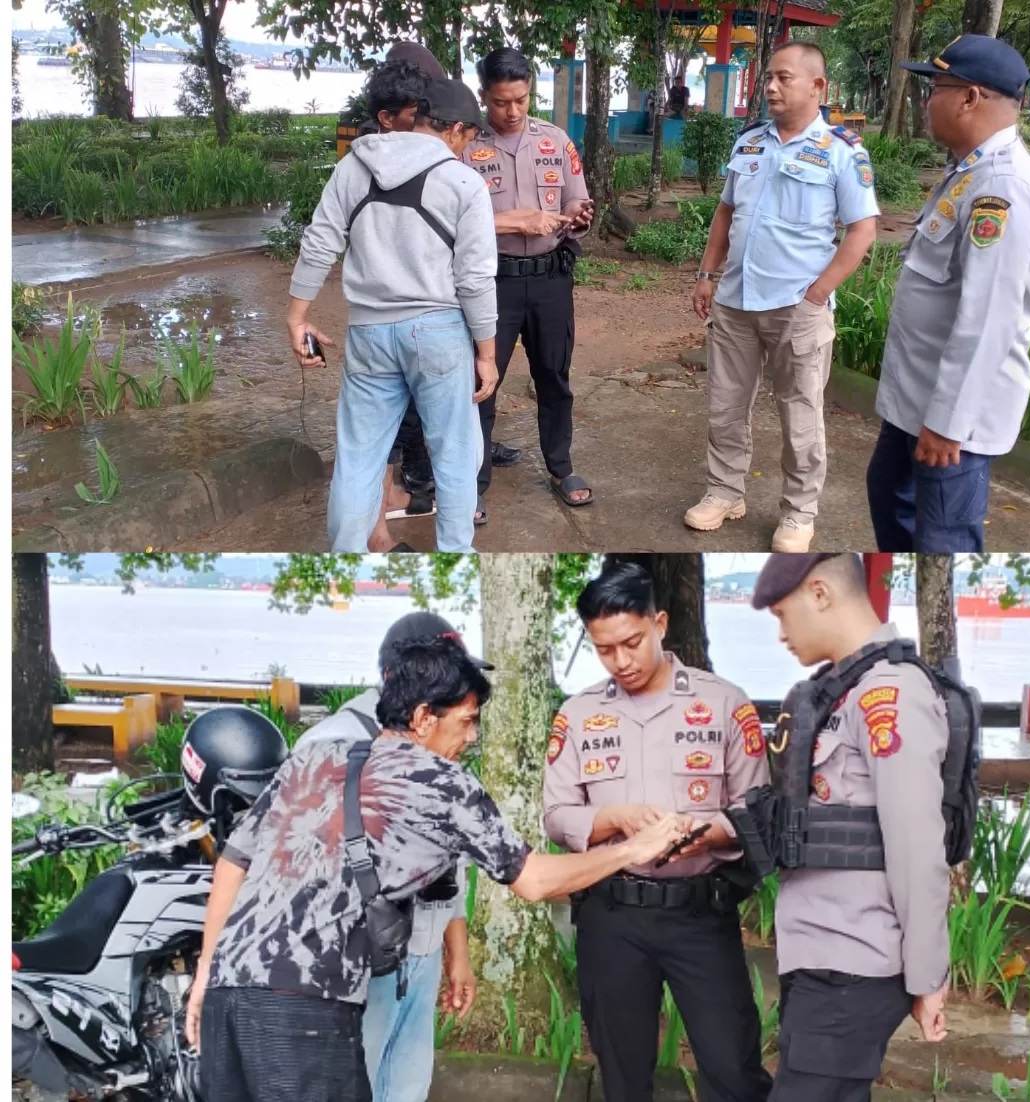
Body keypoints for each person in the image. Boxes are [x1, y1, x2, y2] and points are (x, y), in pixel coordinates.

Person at [186, 636, 684, 1102]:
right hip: (304, 1010)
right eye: (466, 720)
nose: (471, 737)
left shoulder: (313, 758)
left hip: (227, 998)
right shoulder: (444, 783)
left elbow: (234, 860)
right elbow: (533, 880)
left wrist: (206, 972)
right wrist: (630, 850)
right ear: (425, 717)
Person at [543, 563, 773, 1102]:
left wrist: (709, 833)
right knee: (622, 1077)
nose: (620, 661)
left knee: (733, 1070)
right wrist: (614, 820)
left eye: (631, 642)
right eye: (604, 649)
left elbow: (756, 809)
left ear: (660, 623)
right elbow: (555, 814)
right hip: (611, 916)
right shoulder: (578, 715)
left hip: (700, 914)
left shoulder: (723, 702)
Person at [747, 552, 953, 1102]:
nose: (782, 634)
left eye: (782, 614)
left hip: (854, 965)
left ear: (819, 593)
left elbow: (917, 845)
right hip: (823, 957)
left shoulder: (891, 694)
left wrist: (928, 977)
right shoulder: (839, 691)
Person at [289, 73, 499, 554]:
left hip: (368, 332)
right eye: (469, 137)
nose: (467, 149)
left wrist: (297, 315)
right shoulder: (464, 183)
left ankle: (346, 560)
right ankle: (455, 561)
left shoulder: (352, 167)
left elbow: (320, 242)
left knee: (359, 459)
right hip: (439, 332)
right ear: (455, 129)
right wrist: (485, 353)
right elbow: (474, 280)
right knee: (454, 457)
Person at [867, 35, 1030, 552]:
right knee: (889, 500)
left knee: (942, 543)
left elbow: (989, 317)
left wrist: (950, 424)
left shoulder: (1004, 187)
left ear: (970, 97)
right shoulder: (968, 170)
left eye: (935, 88)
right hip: (920, 399)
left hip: (952, 419)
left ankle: (939, 628)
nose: (927, 101)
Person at [688, 43, 879, 552]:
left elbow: (862, 231)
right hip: (735, 301)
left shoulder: (842, 150)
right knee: (725, 407)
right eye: (768, 77)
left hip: (798, 307)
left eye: (783, 78)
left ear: (818, 87)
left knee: (800, 418)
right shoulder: (750, 141)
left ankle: (798, 513)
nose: (770, 86)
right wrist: (708, 274)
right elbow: (726, 214)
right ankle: (725, 491)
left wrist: (817, 294)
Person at [294, 611, 487, 1102]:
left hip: (420, 954)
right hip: (357, 964)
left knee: (406, 1087)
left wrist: (457, 954)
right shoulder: (332, 744)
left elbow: (451, 859)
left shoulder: (440, 739)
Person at [462, 47, 596, 524]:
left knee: (555, 378)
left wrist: (579, 217)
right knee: (480, 384)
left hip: (549, 281)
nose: (513, 111)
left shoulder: (556, 141)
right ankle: (471, 484)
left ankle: (561, 468)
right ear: (484, 97)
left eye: (521, 99)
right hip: (490, 283)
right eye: (502, 102)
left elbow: (577, 203)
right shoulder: (463, 147)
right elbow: (454, 219)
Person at [339, 45, 444, 544]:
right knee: (372, 436)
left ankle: (387, 508)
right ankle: (376, 532)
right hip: (399, 318)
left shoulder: (373, 152)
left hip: (378, 319)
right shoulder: (374, 155)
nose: (428, 118)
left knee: (380, 429)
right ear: (389, 115)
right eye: (419, 111)